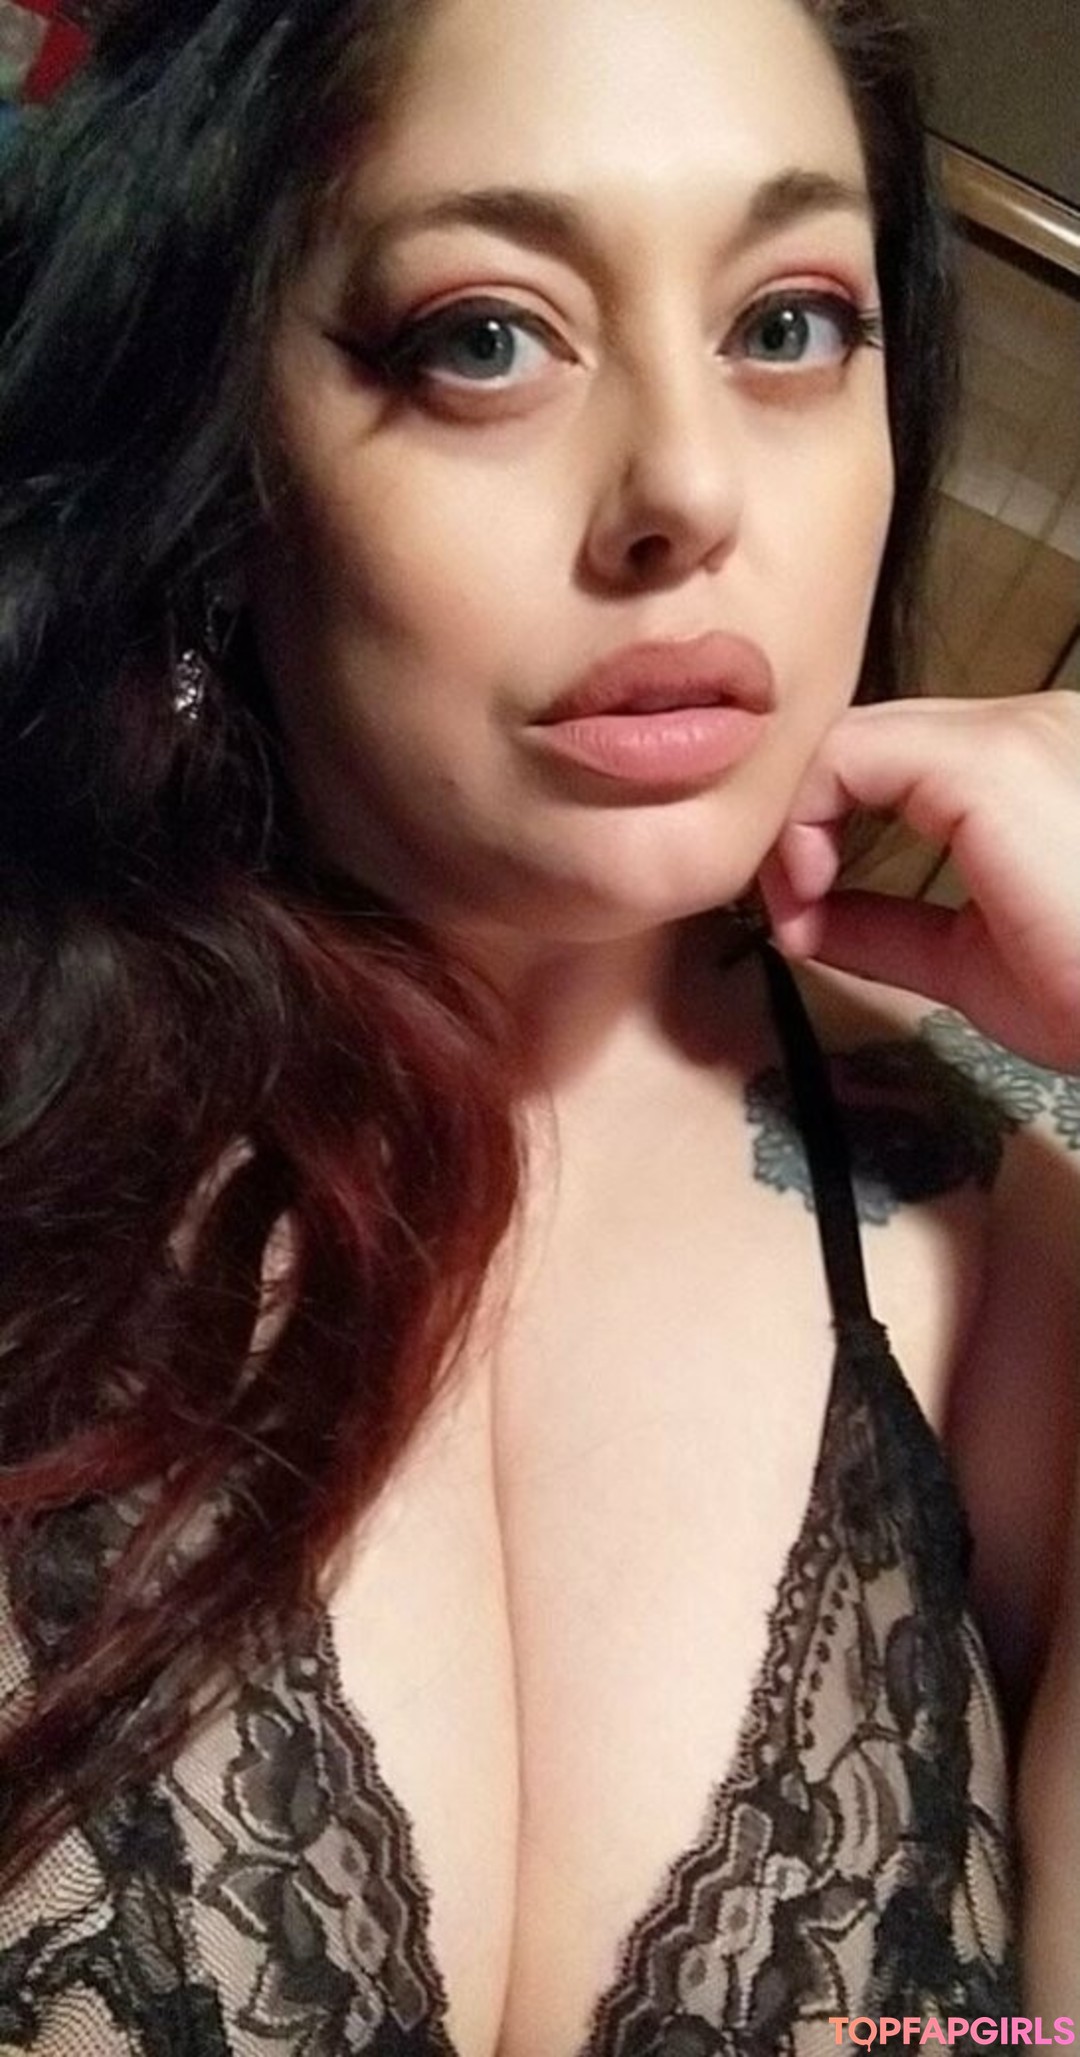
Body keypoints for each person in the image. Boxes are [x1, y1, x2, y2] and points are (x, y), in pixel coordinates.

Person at [0, 0, 1078, 2049]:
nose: (687, 485)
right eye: (486, 336)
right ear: (219, 449)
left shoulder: (997, 1248)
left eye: (788, 324)